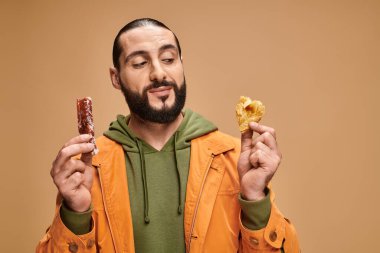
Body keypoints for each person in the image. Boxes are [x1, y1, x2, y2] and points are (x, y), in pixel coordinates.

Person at [36, 18, 300, 253]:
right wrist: (76, 216)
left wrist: (255, 201)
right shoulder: (89, 167)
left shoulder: (234, 159)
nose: (159, 73)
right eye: (139, 63)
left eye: (169, 59)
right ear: (116, 78)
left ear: (181, 65)